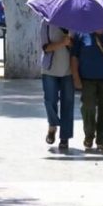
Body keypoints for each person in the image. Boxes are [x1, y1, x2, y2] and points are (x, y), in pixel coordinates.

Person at [40, 20, 74, 150]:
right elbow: (45, 47)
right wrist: (62, 43)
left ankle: (64, 138)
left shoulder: (73, 23)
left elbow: (77, 47)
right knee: (50, 100)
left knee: (68, 103)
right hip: (50, 69)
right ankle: (52, 125)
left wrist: (70, 42)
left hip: (68, 70)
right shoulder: (46, 23)